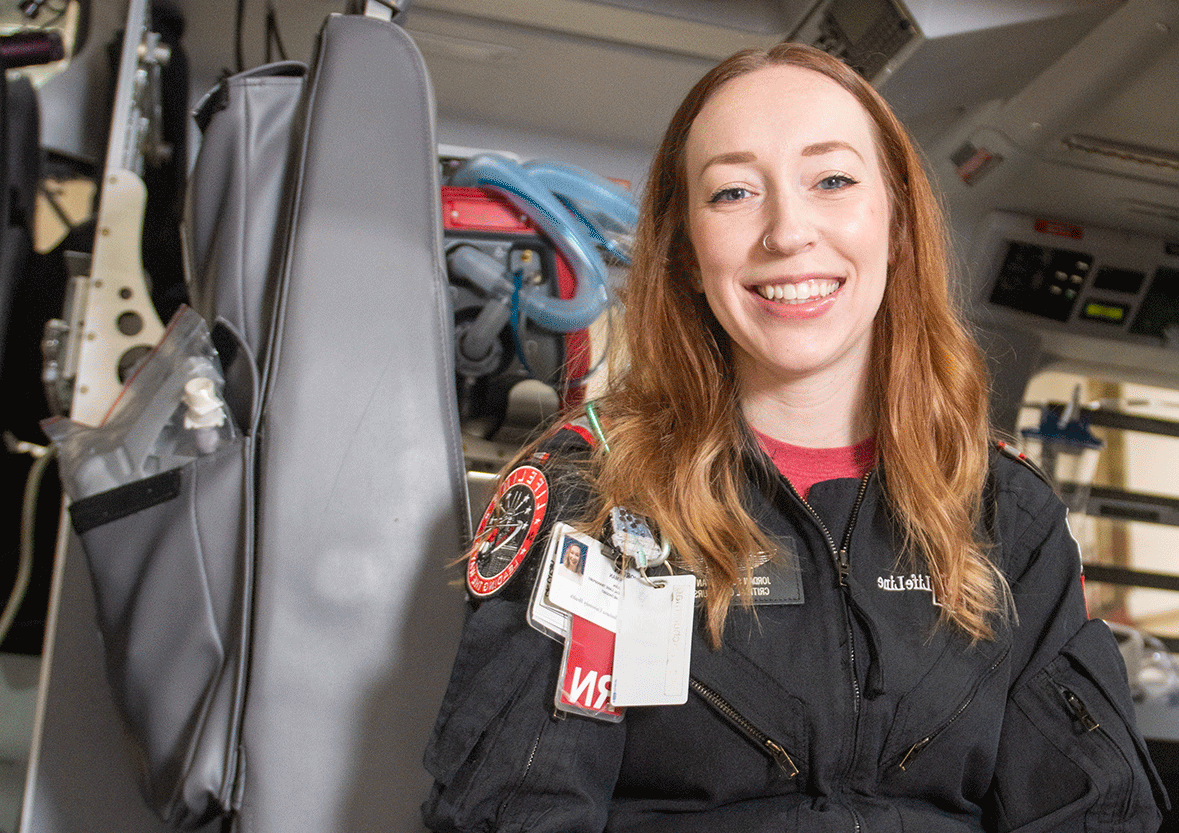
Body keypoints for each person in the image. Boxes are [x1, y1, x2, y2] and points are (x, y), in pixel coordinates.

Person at [422, 42, 1167, 832]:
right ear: (684, 254)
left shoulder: (1006, 516)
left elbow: (1096, 813)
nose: (787, 231)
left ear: (898, 225)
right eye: (735, 192)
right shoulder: (595, 498)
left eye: (833, 180)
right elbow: (518, 812)